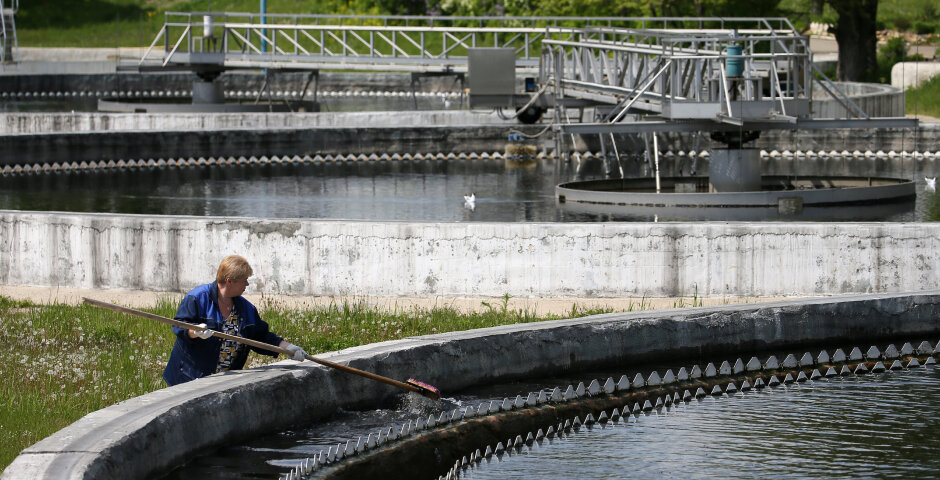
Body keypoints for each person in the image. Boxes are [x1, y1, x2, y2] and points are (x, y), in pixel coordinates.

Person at [163, 255, 307, 386]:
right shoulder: (197, 298)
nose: (247, 285)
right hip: (189, 378)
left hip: (224, 381)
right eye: (244, 281)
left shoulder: (246, 309)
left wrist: (288, 348)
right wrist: (195, 331)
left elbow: (261, 336)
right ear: (229, 281)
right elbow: (179, 326)